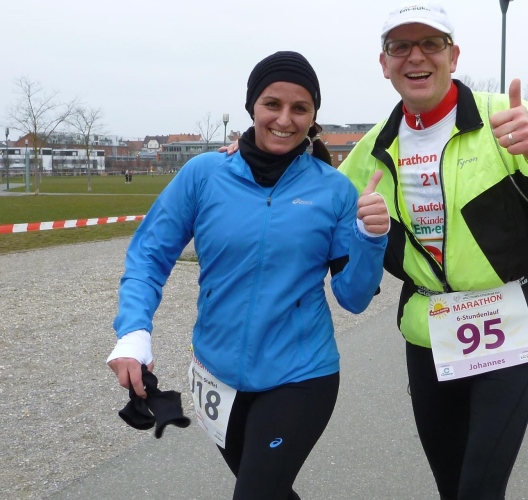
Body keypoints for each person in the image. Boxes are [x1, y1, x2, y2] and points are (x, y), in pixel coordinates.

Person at [339, 3, 528, 498]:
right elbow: (311, 208)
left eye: (431, 44)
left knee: (479, 489)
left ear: (453, 56)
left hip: (506, 325)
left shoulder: (507, 118)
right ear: (384, 62)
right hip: (429, 333)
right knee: (451, 484)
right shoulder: (371, 150)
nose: (416, 56)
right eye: (401, 46)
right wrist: (247, 158)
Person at [106, 51, 389, 500]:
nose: (285, 119)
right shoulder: (204, 174)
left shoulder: (333, 189)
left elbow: (353, 298)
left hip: (300, 375)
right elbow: (148, 256)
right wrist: (133, 331)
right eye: (272, 104)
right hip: (216, 377)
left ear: (313, 116)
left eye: (300, 108)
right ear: (251, 106)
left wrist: (372, 238)